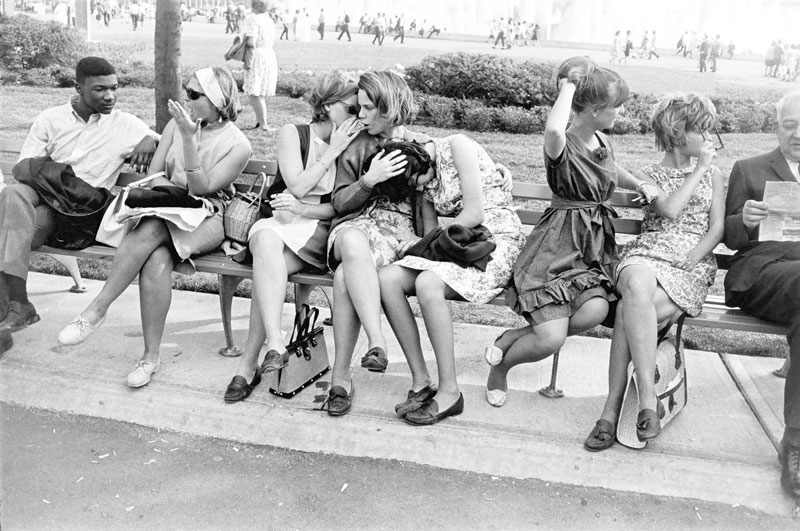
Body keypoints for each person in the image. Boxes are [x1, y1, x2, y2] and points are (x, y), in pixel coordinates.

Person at [56, 67, 252, 389]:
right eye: (186, 91)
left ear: (218, 101)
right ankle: (150, 358)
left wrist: (189, 140)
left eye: (193, 94)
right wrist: (173, 193)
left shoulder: (237, 144)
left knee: (152, 228)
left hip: (209, 217)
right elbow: (157, 173)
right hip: (168, 210)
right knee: (157, 258)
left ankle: (96, 310)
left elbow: (202, 189)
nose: (185, 100)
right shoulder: (176, 126)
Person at [484, 57, 658, 408]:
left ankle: (512, 338)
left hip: (590, 250)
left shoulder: (602, 141)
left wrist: (639, 181)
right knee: (550, 340)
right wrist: (570, 86)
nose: (619, 113)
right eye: (615, 107)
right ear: (593, 109)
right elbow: (553, 130)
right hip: (557, 248)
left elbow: (612, 167)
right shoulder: (560, 145)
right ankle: (501, 369)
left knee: (594, 312)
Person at [585, 92, 724, 450]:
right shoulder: (647, 175)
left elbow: (717, 228)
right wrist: (700, 170)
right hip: (648, 253)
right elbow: (671, 210)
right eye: (702, 131)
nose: (709, 139)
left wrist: (697, 255)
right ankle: (648, 399)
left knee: (630, 312)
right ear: (679, 133)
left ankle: (610, 408)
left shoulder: (716, 176)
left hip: (686, 265)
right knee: (635, 279)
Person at [224, 72, 362, 402]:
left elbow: (335, 208)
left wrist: (303, 209)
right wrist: (332, 151)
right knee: (267, 247)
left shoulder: (354, 146)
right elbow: (297, 184)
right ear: (329, 107)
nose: (360, 117)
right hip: (277, 222)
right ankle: (273, 344)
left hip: (313, 229)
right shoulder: (294, 134)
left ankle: (250, 363)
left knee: (266, 267)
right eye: (353, 109)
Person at [0, 57, 158, 333]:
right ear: (78, 88)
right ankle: (18, 305)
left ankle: (15, 307)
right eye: (99, 89)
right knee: (13, 193)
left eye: (114, 88)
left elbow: (176, 139)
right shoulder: (50, 119)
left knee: (6, 229)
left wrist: (153, 138)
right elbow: (24, 168)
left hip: (79, 214)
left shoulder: (126, 124)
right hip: (44, 201)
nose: (110, 96)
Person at [379, 137, 524, 425]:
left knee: (428, 283)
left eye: (417, 182)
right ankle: (422, 382)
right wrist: (416, 245)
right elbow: (432, 231)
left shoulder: (457, 146)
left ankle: (450, 392)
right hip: (459, 244)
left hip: (496, 241)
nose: (419, 190)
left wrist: (422, 245)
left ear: (419, 162)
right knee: (387, 279)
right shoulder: (418, 175)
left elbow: (475, 213)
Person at [322, 71, 429, 417]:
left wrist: (499, 173)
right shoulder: (357, 144)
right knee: (353, 242)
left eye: (368, 108)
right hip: (352, 227)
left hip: (394, 238)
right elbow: (339, 203)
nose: (360, 114)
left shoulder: (420, 146)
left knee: (344, 279)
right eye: (359, 107)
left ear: (389, 108)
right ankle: (377, 341)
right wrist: (370, 180)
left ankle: (340, 378)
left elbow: (458, 176)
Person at [723, 90, 800, 499]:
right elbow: (730, 238)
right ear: (777, 127)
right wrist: (746, 219)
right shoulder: (750, 168)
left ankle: (795, 442)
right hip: (762, 270)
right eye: (791, 125)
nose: (799, 133)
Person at [241, 0, 278, 132]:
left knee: (255, 92)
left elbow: (251, 42)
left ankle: (263, 124)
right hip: (268, 54)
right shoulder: (269, 20)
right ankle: (260, 121)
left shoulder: (254, 19)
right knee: (257, 90)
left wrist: (246, 59)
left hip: (257, 55)